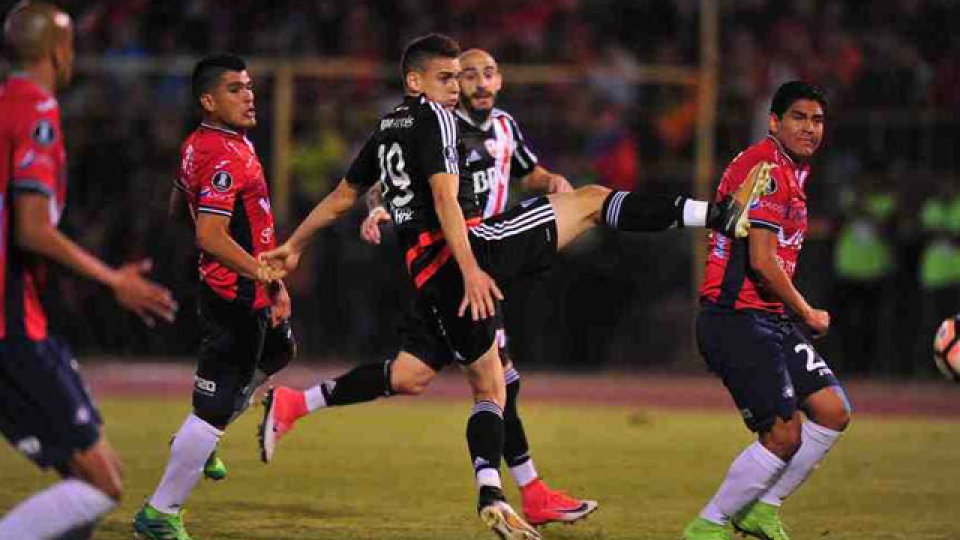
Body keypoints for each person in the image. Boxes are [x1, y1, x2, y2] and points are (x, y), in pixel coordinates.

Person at [260, 34, 763, 540]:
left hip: (428, 272)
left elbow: (344, 194)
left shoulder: (392, 127)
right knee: (592, 201)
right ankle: (718, 215)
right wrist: (473, 268)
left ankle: (491, 492)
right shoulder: (436, 119)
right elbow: (443, 199)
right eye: (449, 77)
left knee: (459, 382)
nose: (460, 86)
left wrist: (294, 243)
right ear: (415, 82)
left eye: (468, 75)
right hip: (473, 250)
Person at [355, 47, 595, 527]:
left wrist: (553, 181)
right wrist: (376, 207)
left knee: (440, 376)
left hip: (494, 258)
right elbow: (384, 179)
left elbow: (529, 171)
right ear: (452, 83)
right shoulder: (441, 127)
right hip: (458, 261)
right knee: (483, 381)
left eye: (489, 73)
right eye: (469, 75)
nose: (481, 83)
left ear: (501, 79)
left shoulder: (505, 125)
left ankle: (301, 402)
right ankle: (515, 491)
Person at [0, 3, 178, 539]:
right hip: (12, 326)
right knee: (101, 484)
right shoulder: (36, 111)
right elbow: (31, 229)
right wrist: (113, 280)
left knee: (95, 477)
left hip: (18, 321)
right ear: (59, 51)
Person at [133, 54, 295, 540]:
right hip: (236, 295)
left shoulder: (209, 144)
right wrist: (265, 274)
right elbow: (209, 234)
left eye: (248, 86)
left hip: (245, 287)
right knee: (215, 403)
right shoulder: (224, 155)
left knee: (281, 351)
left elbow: (177, 203)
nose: (249, 95)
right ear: (208, 100)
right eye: (234, 89)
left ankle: (200, 437)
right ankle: (159, 514)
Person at [682, 81, 853, 540]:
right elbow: (761, 259)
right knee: (783, 435)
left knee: (833, 410)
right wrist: (807, 311)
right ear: (774, 122)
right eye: (799, 118)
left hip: (766, 317)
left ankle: (761, 507)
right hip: (735, 316)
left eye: (817, 120)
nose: (810, 129)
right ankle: (708, 527)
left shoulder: (791, 170)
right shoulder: (769, 167)